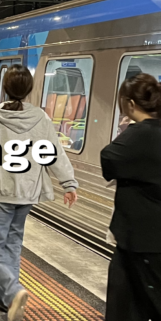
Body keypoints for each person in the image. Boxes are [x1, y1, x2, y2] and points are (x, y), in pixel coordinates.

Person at [0, 64, 78, 321]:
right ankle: (6, 301)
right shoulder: (40, 118)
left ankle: (13, 291)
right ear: (29, 90)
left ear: (5, 88)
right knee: (13, 245)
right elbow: (55, 152)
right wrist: (69, 183)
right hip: (26, 194)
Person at [100, 73, 161, 320]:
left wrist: (127, 130)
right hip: (139, 241)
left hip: (142, 241)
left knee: (127, 307)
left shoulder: (140, 134)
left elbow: (108, 161)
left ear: (131, 105)